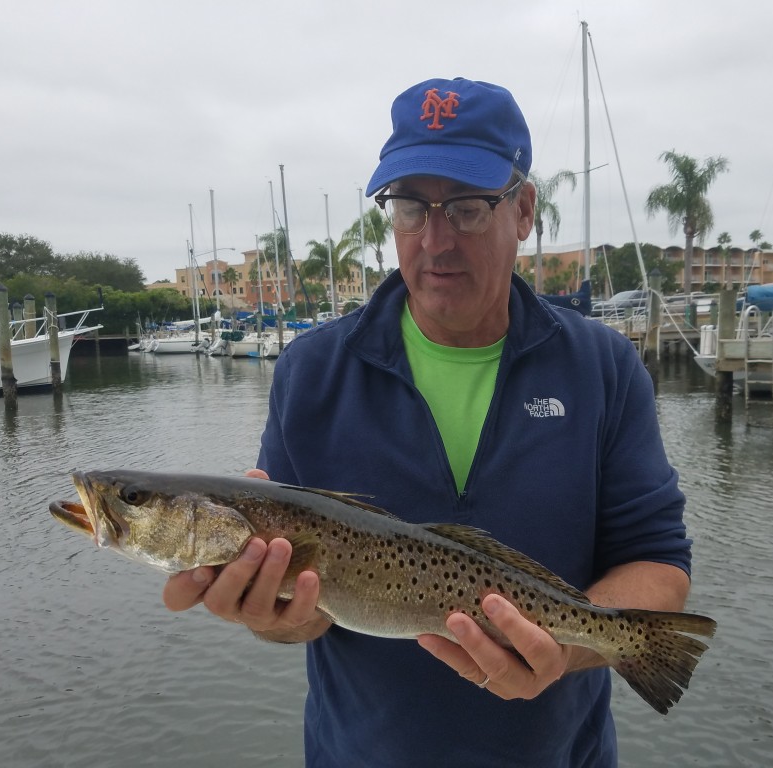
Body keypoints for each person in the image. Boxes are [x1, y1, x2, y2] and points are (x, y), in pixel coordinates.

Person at [163, 77, 693, 767]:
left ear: (524, 209)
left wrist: (562, 649)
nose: (436, 240)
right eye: (411, 207)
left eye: (468, 208)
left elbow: (658, 561)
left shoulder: (604, 366)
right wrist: (275, 619)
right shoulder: (311, 373)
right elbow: (307, 609)